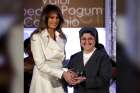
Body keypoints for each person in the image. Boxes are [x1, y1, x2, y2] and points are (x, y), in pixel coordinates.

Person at [29, 4, 76, 93]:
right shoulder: (37, 37)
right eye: (51, 17)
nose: (55, 20)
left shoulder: (62, 38)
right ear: (45, 18)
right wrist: (62, 73)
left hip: (59, 79)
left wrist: (67, 72)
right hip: (43, 81)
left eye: (57, 18)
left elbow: (59, 63)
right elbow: (40, 65)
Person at [67, 27, 112, 93]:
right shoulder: (74, 57)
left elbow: (105, 80)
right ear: (80, 41)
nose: (87, 41)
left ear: (95, 40)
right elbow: (70, 82)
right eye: (83, 39)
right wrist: (70, 79)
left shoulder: (103, 57)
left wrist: (85, 81)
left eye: (90, 38)